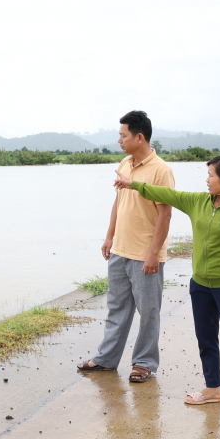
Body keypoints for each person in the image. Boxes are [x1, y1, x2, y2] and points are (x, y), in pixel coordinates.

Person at [113, 154, 220, 417]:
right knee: (206, 339)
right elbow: (165, 194)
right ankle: (213, 388)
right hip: (200, 285)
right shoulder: (199, 202)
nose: (207, 179)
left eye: (211, 175)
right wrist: (133, 184)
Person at [77, 110, 173, 383]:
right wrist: (109, 237)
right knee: (117, 308)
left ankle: (144, 363)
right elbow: (119, 202)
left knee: (148, 313)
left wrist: (154, 253)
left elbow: (165, 215)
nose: (119, 140)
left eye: (123, 135)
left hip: (145, 254)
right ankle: (106, 359)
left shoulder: (161, 170)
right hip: (120, 251)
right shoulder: (125, 163)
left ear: (139, 137)